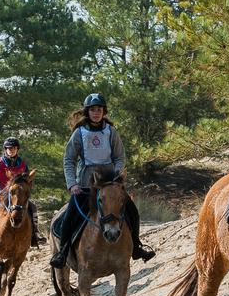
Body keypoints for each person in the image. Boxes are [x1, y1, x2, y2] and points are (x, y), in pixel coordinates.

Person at [50, 92, 153, 268]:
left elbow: (120, 156)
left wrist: (117, 175)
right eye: (93, 110)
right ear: (87, 112)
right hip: (85, 183)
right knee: (70, 216)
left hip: (110, 183)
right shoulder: (78, 133)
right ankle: (63, 252)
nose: (96, 113)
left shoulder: (111, 131)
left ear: (103, 112)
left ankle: (136, 247)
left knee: (132, 211)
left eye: (99, 110)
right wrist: (72, 183)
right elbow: (69, 159)